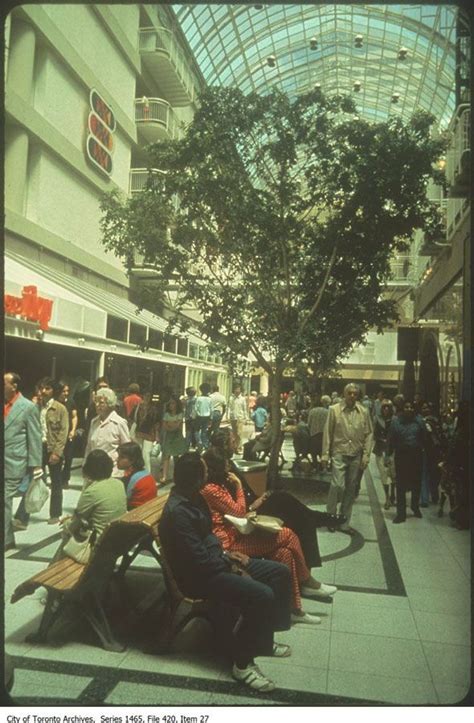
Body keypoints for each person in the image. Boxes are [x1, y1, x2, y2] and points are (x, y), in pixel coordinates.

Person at [159, 452, 292, 693]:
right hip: (199, 579)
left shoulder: (194, 498)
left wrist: (227, 554)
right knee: (262, 595)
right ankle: (242, 665)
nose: (208, 474)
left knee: (280, 573)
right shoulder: (178, 513)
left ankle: (263, 642)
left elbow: (208, 535)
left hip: (216, 562)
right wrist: (230, 566)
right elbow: (198, 562)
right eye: (205, 472)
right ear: (197, 478)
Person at [202, 448, 336, 623]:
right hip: (229, 545)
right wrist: (239, 486)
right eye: (226, 463)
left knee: (285, 554)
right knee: (287, 534)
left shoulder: (219, 484)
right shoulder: (211, 489)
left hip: (236, 535)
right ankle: (307, 580)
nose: (229, 466)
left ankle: (293, 609)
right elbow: (239, 511)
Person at [209, 428, 345, 567]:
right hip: (247, 513)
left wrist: (259, 498)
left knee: (298, 515)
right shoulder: (221, 470)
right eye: (232, 441)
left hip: (253, 504)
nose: (235, 444)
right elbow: (234, 506)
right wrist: (251, 505)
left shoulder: (228, 464)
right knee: (285, 502)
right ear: (225, 445)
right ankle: (317, 519)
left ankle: (314, 521)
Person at [321, 383, 373, 535]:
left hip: (356, 455)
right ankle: (330, 518)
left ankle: (344, 523)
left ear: (358, 396)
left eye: (355, 394)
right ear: (344, 394)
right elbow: (327, 433)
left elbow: (369, 433)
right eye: (349, 393)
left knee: (351, 489)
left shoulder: (363, 411)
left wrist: (366, 455)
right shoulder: (334, 410)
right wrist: (325, 454)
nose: (352, 396)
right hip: (339, 453)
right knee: (337, 485)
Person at [55, 449, 127, 558]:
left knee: (67, 534)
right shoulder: (119, 483)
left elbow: (75, 523)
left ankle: (54, 570)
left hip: (99, 545)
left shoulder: (92, 491)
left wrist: (66, 523)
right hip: (118, 540)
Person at [4, 372, 43, 549]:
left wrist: (36, 465)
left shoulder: (27, 407)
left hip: (14, 463)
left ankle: (5, 540)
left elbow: (34, 437)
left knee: (4, 500)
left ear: (14, 386)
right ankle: (8, 538)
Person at [386, 400, 427, 524]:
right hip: (401, 456)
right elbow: (390, 439)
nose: (409, 409)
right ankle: (401, 513)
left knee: (416, 483)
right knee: (401, 485)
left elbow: (424, 437)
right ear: (402, 408)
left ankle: (415, 506)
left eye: (411, 407)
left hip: (416, 456)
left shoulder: (419, 421)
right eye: (406, 407)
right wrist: (388, 455)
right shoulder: (396, 422)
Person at [38, 377, 69, 524]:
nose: (43, 391)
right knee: (32, 479)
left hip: (52, 448)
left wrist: (57, 452)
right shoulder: (36, 406)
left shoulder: (60, 408)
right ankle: (22, 515)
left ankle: (55, 513)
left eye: (47, 388)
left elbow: (63, 432)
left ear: (53, 391)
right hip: (38, 447)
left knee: (56, 482)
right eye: (42, 388)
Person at [85, 387, 131, 477]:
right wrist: (85, 466)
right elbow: (89, 447)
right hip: (94, 472)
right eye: (96, 402)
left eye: (101, 402)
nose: (97, 405)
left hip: (113, 473)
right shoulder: (94, 422)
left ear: (110, 404)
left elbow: (127, 449)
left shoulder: (119, 423)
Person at [116, 442, 157, 508]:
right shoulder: (145, 473)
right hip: (149, 509)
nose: (117, 459)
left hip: (137, 513)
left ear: (132, 460)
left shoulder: (130, 479)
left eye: (122, 457)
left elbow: (122, 501)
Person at [373, 399, 395, 510]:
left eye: (388, 407)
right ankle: (387, 497)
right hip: (380, 450)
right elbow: (373, 434)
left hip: (392, 451)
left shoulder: (395, 420)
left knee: (393, 474)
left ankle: (393, 494)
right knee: (383, 474)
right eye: (384, 407)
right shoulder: (377, 419)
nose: (386, 409)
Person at [420, 401, 443, 506]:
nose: (425, 410)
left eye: (427, 408)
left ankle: (430, 497)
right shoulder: (432, 420)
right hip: (429, 451)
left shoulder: (430, 421)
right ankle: (429, 497)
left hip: (431, 451)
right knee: (428, 474)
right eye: (423, 408)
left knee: (431, 474)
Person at [132, 392, 161, 472]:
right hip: (139, 432)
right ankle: (140, 471)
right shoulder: (138, 407)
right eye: (146, 395)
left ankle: (147, 473)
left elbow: (157, 422)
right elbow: (132, 418)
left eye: (149, 396)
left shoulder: (153, 408)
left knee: (146, 453)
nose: (147, 398)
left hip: (149, 433)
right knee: (140, 453)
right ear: (143, 396)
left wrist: (157, 434)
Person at [161, 396, 187, 483]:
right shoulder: (166, 414)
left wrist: (170, 424)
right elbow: (164, 425)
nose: (171, 405)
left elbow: (177, 426)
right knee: (166, 456)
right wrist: (172, 424)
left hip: (177, 437)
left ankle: (176, 475)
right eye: (170, 403)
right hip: (169, 437)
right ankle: (164, 476)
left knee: (176, 456)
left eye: (173, 403)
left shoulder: (180, 414)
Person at [58, 382, 78, 489]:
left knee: (69, 457)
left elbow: (74, 416)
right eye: (63, 391)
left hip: (68, 434)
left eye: (67, 391)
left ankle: (65, 479)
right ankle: (57, 479)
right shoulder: (55, 403)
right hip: (57, 435)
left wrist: (73, 430)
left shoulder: (71, 402)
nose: (66, 393)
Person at [307, 395, 330, 469]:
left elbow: (309, 423)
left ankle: (315, 465)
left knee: (314, 452)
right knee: (322, 452)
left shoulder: (312, 411)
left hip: (314, 434)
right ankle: (324, 467)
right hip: (324, 435)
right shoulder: (328, 412)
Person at [227, 385, 248, 454]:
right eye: (236, 389)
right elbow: (229, 407)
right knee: (234, 433)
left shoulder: (242, 399)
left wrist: (246, 418)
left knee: (239, 433)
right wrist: (228, 415)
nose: (237, 390)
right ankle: (235, 447)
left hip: (240, 418)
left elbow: (245, 409)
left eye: (238, 389)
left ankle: (239, 447)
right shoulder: (231, 398)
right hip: (233, 417)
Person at [194, 382, 212, 451]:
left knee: (196, 430)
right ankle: (205, 444)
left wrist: (193, 416)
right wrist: (211, 418)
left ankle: (199, 442)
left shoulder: (198, 398)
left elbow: (195, 408)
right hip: (207, 417)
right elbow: (211, 409)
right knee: (204, 431)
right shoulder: (210, 399)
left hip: (199, 417)